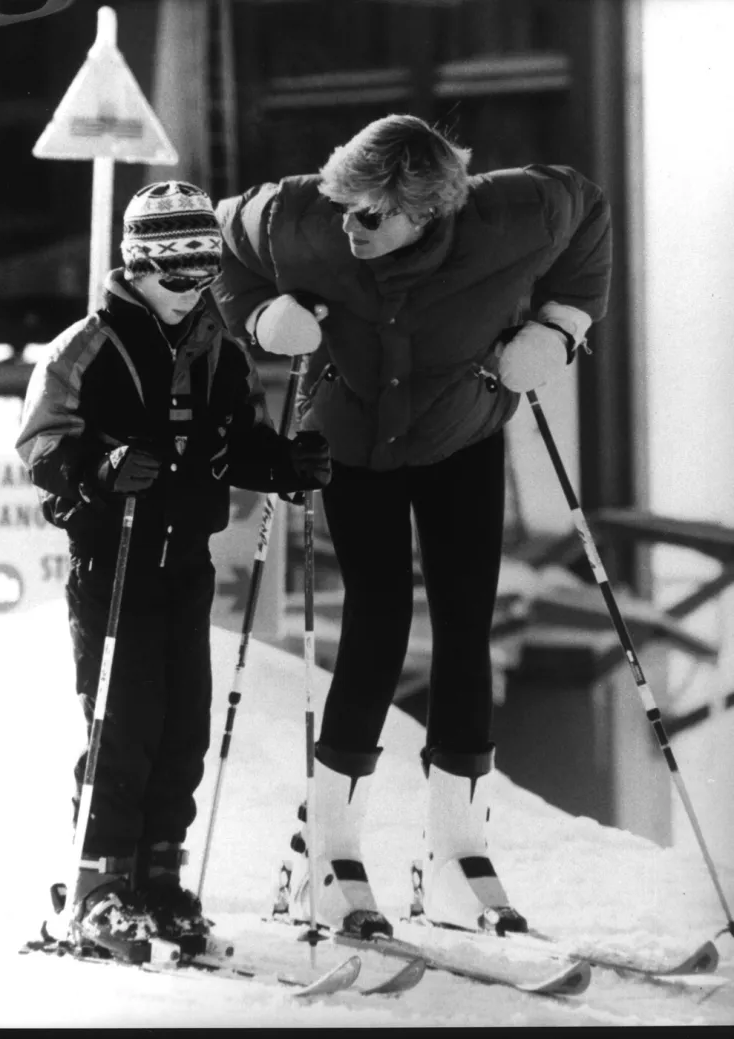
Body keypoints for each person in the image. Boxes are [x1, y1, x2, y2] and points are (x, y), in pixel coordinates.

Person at [212, 115, 612, 940]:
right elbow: (217, 238)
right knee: (379, 618)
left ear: (428, 211)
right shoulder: (299, 217)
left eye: (370, 215)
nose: (349, 225)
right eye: (343, 205)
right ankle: (325, 848)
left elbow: (591, 214)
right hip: (352, 440)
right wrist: (259, 317)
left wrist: (560, 329)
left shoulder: (516, 215)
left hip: (459, 432)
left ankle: (460, 856)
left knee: (468, 623)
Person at [15, 180, 331, 957]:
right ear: (141, 265)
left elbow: (238, 440)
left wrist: (286, 463)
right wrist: (98, 468)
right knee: (122, 725)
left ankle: (157, 876)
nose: (192, 289)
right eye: (176, 272)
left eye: (204, 272)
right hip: (112, 560)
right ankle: (98, 884)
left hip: (184, 560)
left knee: (184, 725)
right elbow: (41, 447)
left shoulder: (218, 351)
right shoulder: (86, 345)